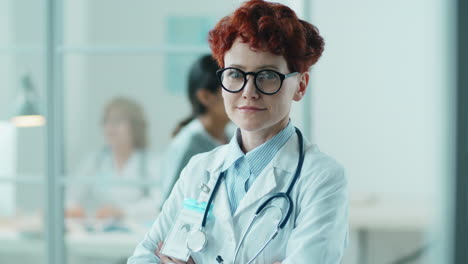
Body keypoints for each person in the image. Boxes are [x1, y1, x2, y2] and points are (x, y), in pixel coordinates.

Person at [128, 1, 348, 263]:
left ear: (300, 86)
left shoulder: (321, 179)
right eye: (235, 74)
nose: (248, 91)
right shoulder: (199, 170)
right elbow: (143, 258)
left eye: (267, 75)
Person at [66, 96, 161, 224]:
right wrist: (72, 209)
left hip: (137, 233)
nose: (110, 128)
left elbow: (159, 203)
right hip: (100, 233)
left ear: (135, 127)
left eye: (116, 122)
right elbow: (70, 196)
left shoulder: (151, 163)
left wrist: (123, 211)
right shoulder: (95, 161)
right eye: (106, 122)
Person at [160, 54, 231, 202]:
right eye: (231, 86)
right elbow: (169, 204)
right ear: (205, 97)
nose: (243, 93)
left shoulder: (230, 138)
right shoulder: (189, 144)